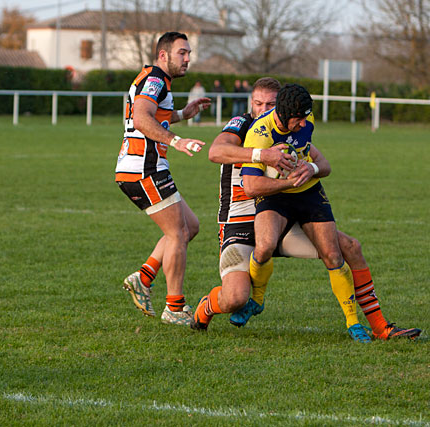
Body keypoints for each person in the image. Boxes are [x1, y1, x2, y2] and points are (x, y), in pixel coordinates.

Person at [192, 78, 421, 342]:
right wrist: (261, 155)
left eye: (270, 103)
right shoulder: (244, 125)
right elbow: (216, 152)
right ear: (251, 103)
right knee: (235, 298)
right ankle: (207, 306)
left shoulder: (294, 127)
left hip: (283, 217)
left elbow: (320, 161)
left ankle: (380, 327)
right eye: (258, 103)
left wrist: (309, 168)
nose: (263, 108)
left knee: (350, 248)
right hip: (241, 224)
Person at [116, 32, 211, 326]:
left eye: (189, 53)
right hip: (144, 169)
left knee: (189, 227)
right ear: (163, 55)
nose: (187, 58)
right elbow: (143, 119)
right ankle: (174, 307)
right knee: (178, 234)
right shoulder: (155, 79)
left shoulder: (158, 81)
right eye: (182, 52)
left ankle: (143, 278)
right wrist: (176, 140)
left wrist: (183, 113)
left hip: (146, 168)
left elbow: (153, 116)